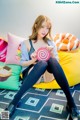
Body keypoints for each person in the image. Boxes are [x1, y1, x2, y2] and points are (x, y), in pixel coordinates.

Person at [5, 15, 80, 120]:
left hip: (47, 75)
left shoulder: (50, 43)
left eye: (47, 28)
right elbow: (22, 63)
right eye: (42, 26)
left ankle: (71, 103)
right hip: (31, 74)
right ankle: (14, 102)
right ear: (36, 25)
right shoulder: (26, 43)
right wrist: (33, 59)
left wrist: (51, 53)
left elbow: (56, 64)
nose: (45, 30)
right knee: (42, 63)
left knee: (50, 60)